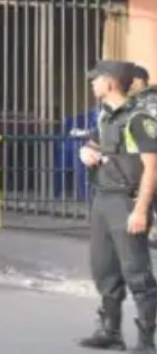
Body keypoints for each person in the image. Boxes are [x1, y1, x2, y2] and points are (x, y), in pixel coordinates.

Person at [77, 60, 157, 352]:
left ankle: (148, 340)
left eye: (95, 79)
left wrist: (140, 209)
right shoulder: (105, 116)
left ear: (109, 82)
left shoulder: (138, 119)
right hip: (103, 198)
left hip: (127, 200)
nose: (92, 84)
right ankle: (110, 330)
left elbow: (152, 167)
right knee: (104, 268)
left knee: (137, 271)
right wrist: (87, 150)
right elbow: (97, 144)